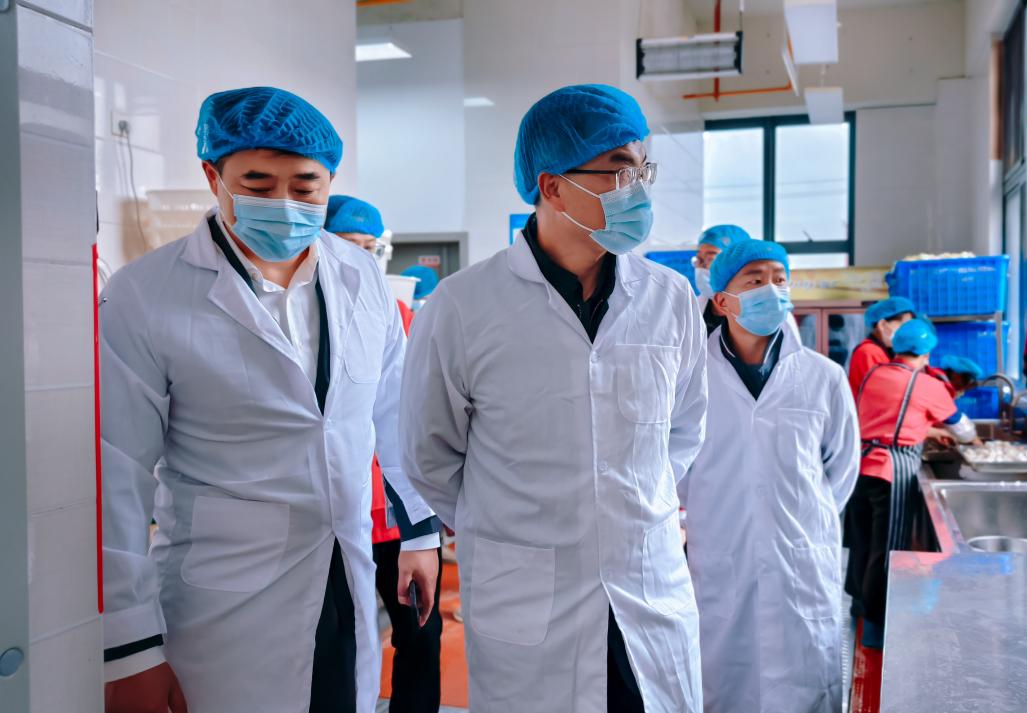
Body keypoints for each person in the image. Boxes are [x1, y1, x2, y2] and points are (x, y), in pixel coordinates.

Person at [100, 87, 440, 713]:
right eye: (258, 184)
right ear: (214, 177)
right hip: (224, 601)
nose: (284, 204)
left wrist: (420, 533)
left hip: (345, 571)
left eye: (306, 188)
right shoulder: (144, 294)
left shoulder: (361, 276)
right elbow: (114, 474)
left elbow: (397, 414)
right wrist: (130, 650)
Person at [400, 84, 707, 713]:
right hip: (526, 594)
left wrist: (627, 501)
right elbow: (429, 455)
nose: (638, 189)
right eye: (618, 171)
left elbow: (685, 428)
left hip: (645, 584)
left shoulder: (669, 297)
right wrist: (512, 522)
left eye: (642, 170)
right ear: (552, 187)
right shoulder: (464, 305)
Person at [679, 240, 860, 713]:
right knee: (723, 684)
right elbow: (678, 469)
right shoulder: (690, 377)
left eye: (780, 279)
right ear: (722, 301)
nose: (771, 290)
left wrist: (798, 515)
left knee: (804, 685)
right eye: (755, 280)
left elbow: (842, 470)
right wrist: (720, 510)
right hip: (722, 556)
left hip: (800, 557)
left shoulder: (823, 376)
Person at [326, 195, 444, 713]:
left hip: (396, 515)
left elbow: (410, 417)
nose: (359, 257)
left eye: (369, 247)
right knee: (340, 643)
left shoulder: (393, 314)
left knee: (419, 634)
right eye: (347, 244)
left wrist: (425, 527)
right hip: (336, 514)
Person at [844, 319, 978, 650]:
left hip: (859, 467)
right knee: (886, 550)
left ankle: (858, 607)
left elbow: (888, 417)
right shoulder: (926, 384)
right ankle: (875, 628)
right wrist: (974, 441)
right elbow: (961, 428)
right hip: (892, 472)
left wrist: (925, 429)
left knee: (862, 544)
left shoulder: (876, 374)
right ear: (926, 353)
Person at [847, 296, 917, 397]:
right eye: (903, 326)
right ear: (882, 325)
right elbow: (885, 393)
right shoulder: (869, 352)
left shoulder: (885, 352)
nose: (906, 333)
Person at [692, 224, 750, 333]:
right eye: (699, 259)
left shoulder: (762, 312)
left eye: (711, 258)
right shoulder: (692, 308)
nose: (701, 267)